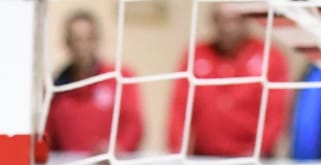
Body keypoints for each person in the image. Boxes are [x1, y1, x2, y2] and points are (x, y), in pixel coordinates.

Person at [168, 2, 293, 156]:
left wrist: (260, 150)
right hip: (204, 158)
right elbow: (179, 108)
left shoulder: (270, 57)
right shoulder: (196, 55)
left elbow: (276, 113)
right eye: (220, 19)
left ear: (246, 20)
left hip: (253, 160)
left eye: (234, 20)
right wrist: (178, 151)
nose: (227, 27)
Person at [44, 9, 146, 156]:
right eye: (76, 39)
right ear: (67, 42)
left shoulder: (119, 78)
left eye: (89, 38)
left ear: (97, 40)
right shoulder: (56, 88)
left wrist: (119, 148)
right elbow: (49, 136)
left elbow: (134, 125)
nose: (82, 46)